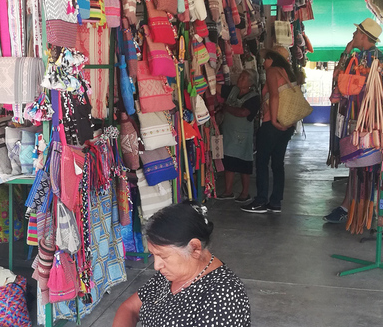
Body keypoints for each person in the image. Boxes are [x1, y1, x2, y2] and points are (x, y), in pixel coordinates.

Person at [113, 203, 251, 327]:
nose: (156, 266)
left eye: (163, 256)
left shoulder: (224, 299)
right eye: (154, 255)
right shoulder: (172, 274)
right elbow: (130, 309)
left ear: (195, 248)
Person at [323, 18, 383, 223]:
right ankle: (358, 207)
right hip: (371, 122)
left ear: (364, 37)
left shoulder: (360, 60)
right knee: (364, 167)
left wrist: (346, 53)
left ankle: (353, 208)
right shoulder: (380, 59)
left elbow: (337, 79)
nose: (353, 36)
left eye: (356, 33)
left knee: (362, 165)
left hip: (361, 121)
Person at [241, 47, 297, 214]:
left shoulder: (273, 71)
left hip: (273, 124)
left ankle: (261, 200)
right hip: (287, 125)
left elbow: (274, 96)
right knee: (278, 163)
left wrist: (272, 120)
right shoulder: (289, 74)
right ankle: (275, 202)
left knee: (262, 162)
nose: (264, 62)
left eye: (266, 59)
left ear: (273, 59)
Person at [217, 70, 260, 202]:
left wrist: (227, 107)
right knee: (229, 163)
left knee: (243, 165)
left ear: (250, 83)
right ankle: (228, 191)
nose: (240, 78)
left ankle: (244, 193)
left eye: (244, 77)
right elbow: (217, 88)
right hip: (229, 134)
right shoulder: (233, 90)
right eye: (240, 76)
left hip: (242, 137)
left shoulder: (254, 97)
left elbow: (243, 112)